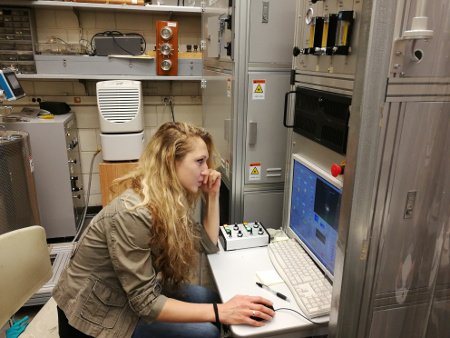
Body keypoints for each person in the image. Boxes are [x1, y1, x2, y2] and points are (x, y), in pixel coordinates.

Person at [53, 122, 275, 338]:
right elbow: (146, 304)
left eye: (207, 161)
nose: (207, 171)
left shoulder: (168, 201)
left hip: (125, 293)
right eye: (200, 161)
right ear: (171, 162)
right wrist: (222, 313)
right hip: (94, 313)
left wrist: (213, 195)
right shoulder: (133, 213)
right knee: (207, 331)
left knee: (211, 298)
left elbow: (207, 243)